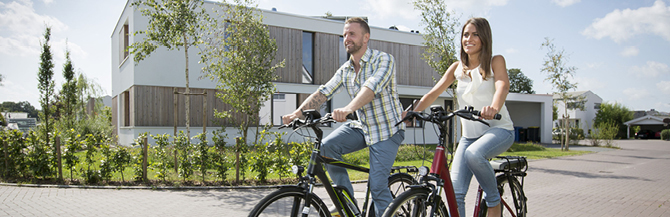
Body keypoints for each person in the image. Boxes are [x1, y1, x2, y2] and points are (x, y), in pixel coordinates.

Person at [282, 17, 405, 217]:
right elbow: (324, 92)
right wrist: (297, 113)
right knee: (327, 148)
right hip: (362, 127)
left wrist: (348, 108)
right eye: (345, 34)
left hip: (387, 130)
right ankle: (349, 206)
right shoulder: (346, 69)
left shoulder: (384, 59)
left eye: (352, 34)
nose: (347, 38)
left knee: (377, 186)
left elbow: (371, 88)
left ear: (366, 37)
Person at [407, 17, 514, 217]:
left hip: (498, 129)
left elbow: (502, 85)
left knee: (473, 154)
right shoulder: (457, 68)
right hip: (469, 137)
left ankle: (493, 201)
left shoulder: (495, 61)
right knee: (455, 194)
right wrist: (413, 111)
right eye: (465, 34)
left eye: (475, 34)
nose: (469, 39)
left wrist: (494, 107)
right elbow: (433, 93)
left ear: (484, 38)